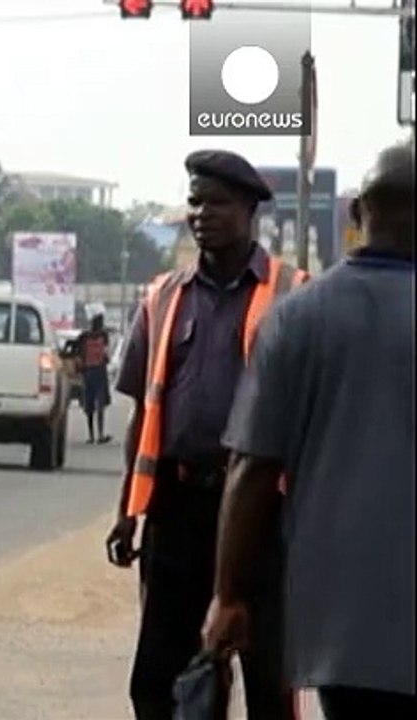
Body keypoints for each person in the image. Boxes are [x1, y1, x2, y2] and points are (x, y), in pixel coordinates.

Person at [204, 141, 416, 719]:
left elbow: (251, 467)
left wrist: (228, 595)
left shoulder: (297, 318)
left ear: (354, 216)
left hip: (343, 629)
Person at [106, 149, 309, 720]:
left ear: (250, 211)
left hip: (264, 516)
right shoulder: (163, 298)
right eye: (195, 201)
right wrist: (129, 508)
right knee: (161, 680)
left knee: (268, 676)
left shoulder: (295, 297)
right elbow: (143, 415)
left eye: (217, 203)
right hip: (178, 512)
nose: (202, 213)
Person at [78, 313, 113, 444]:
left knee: (91, 405)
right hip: (98, 372)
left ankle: (92, 435)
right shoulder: (102, 336)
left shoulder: (85, 336)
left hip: (89, 372)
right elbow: (105, 353)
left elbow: (80, 353)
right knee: (99, 404)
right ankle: (99, 435)